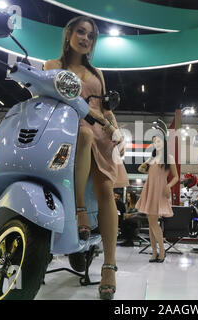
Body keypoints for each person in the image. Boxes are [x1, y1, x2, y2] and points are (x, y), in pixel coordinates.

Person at [44, 16, 129, 300]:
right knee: (85, 136)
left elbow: (106, 110)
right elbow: (45, 101)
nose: (85, 38)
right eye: (80, 32)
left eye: (91, 35)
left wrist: (118, 131)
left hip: (100, 133)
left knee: (106, 190)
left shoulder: (97, 73)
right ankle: (80, 209)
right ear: (69, 33)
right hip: (66, 132)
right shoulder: (52, 66)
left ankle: (109, 266)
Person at [136, 134, 179, 263]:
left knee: (153, 223)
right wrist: (148, 172)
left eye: (159, 141)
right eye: (154, 142)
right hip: (150, 189)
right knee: (151, 223)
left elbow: (176, 177)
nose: (156, 144)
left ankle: (161, 251)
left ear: (164, 143)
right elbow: (140, 168)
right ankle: (154, 253)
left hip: (160, 190)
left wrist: (169, 185)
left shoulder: (169, 158)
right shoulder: (152, 158)